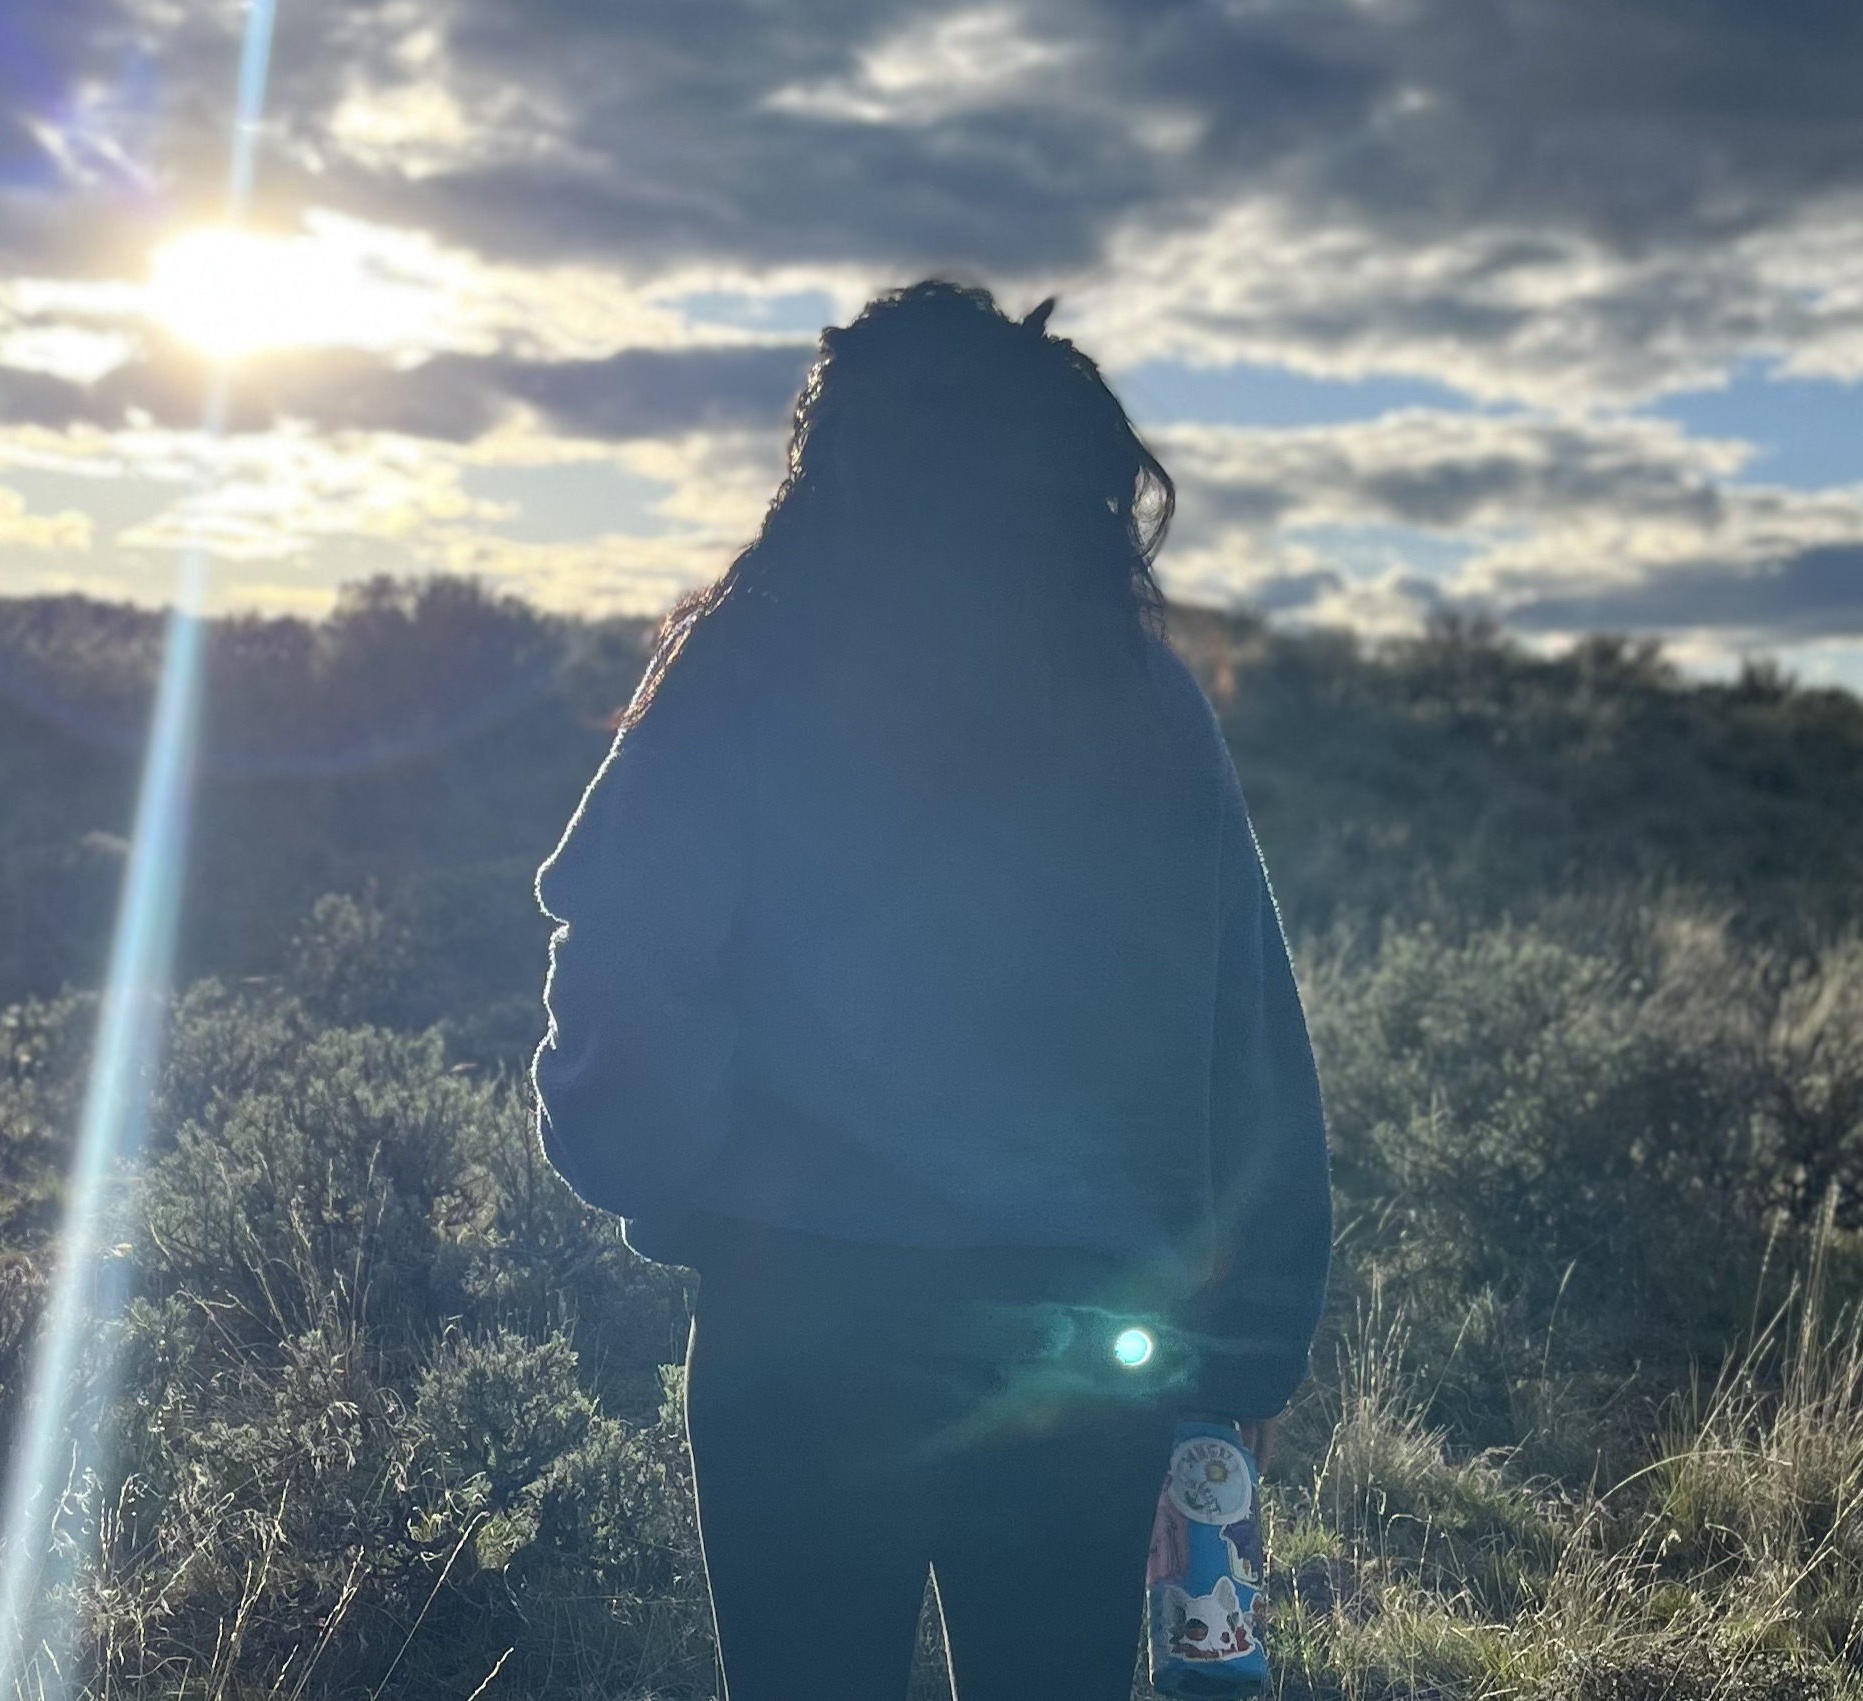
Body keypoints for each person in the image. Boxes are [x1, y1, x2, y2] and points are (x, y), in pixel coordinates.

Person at [531, 280, 1331, 1701]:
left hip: (801, 1335)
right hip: (1087, 1352)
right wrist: (1241, 1359)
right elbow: (1249, 1039)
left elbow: (626, 986)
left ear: (836, 464)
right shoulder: (1143, 696)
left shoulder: (741, 671)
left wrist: (703, 1186)